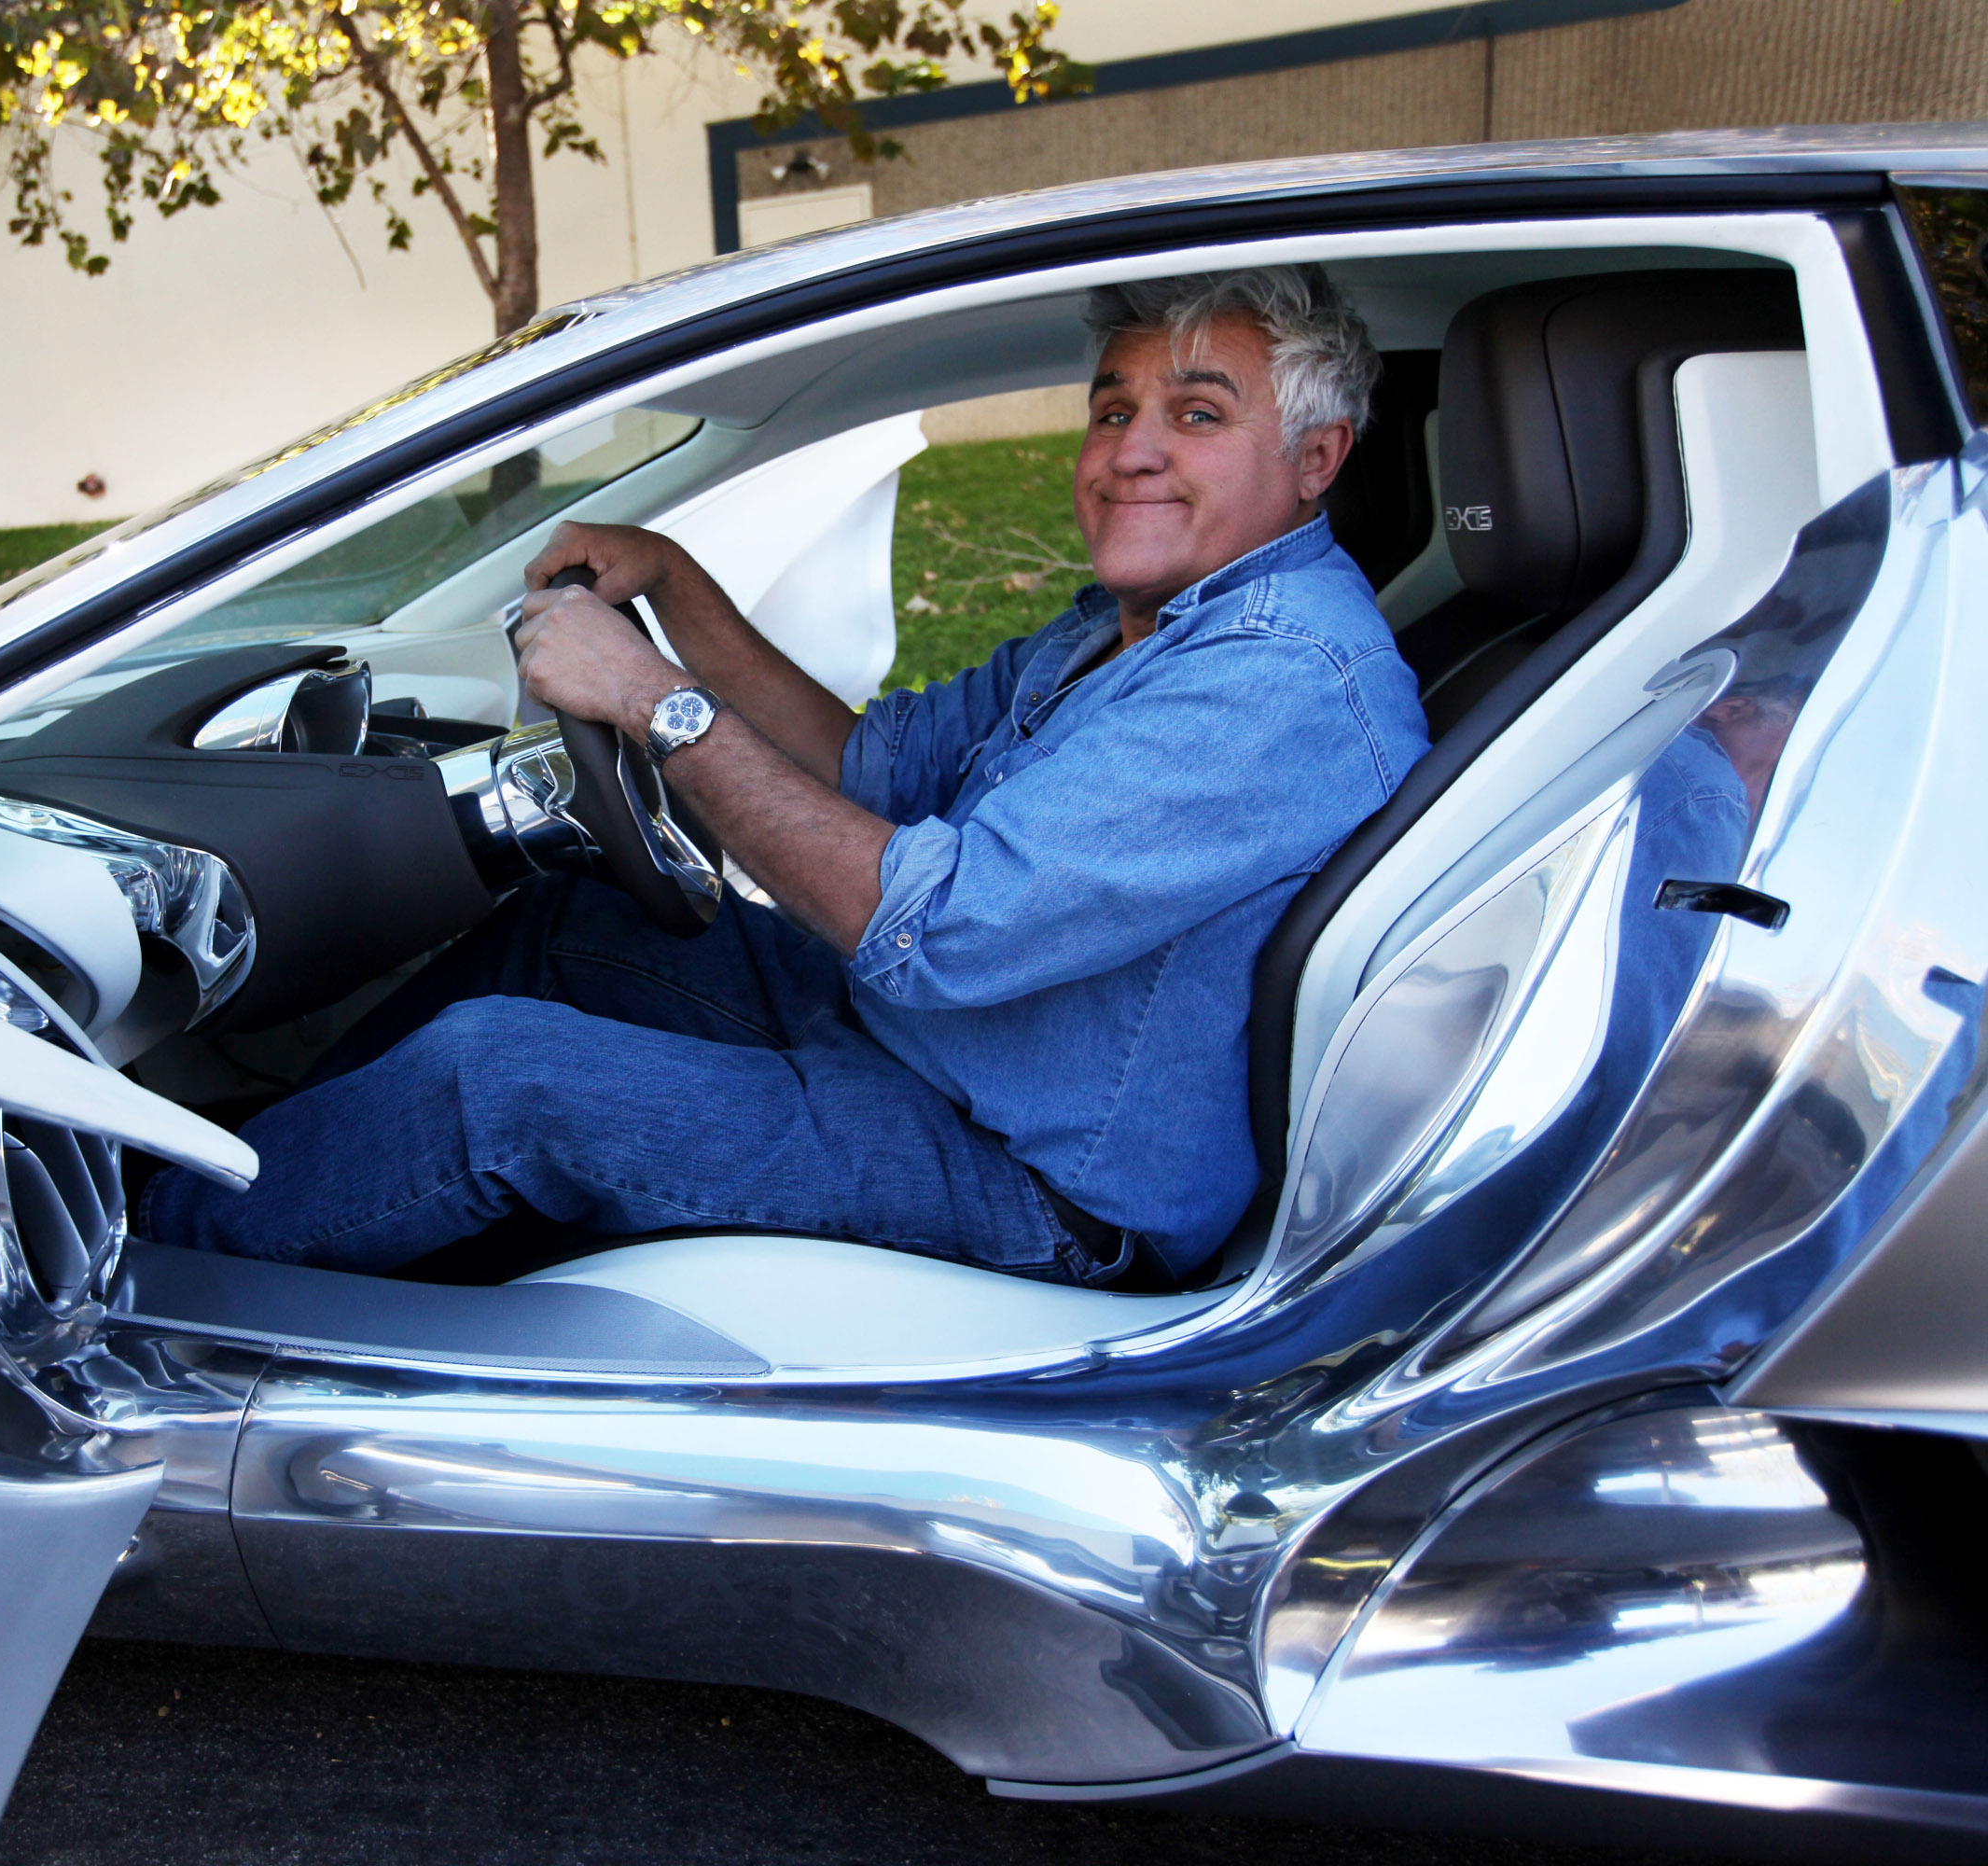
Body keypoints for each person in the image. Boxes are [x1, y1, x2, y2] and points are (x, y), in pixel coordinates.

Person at [146, 265, 1430, 1287]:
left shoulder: (1279, 680)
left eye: (1198, 415)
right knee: (560, 924)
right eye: (1114, 409)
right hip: (934, 1051)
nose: (1130, 451)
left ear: (1317, 461)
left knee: (501, 1078)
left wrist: (654, 703)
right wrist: (677, 587)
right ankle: (253, 1178)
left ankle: (142, 1275)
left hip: (1036, 1177)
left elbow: (931, 931)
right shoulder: (1135, 623)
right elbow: (877, 765)